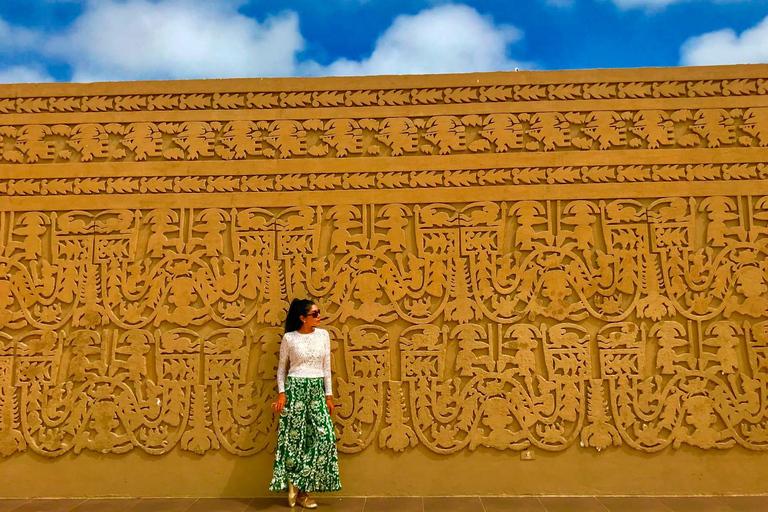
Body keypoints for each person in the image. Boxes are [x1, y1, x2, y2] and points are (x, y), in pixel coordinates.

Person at [270, 299, 341, 508]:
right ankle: (301, 493)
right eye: (315, 313)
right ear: (302, 318)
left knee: (324, 438)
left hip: (316, 390)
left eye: (319, 312)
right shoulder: (289, 338)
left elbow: (326, 367)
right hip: (295, 389)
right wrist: (282, 394)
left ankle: (297, 480)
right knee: (296, 441)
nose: (319, 316)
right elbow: (282, 369)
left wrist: (328, 396)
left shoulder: (323, 336)